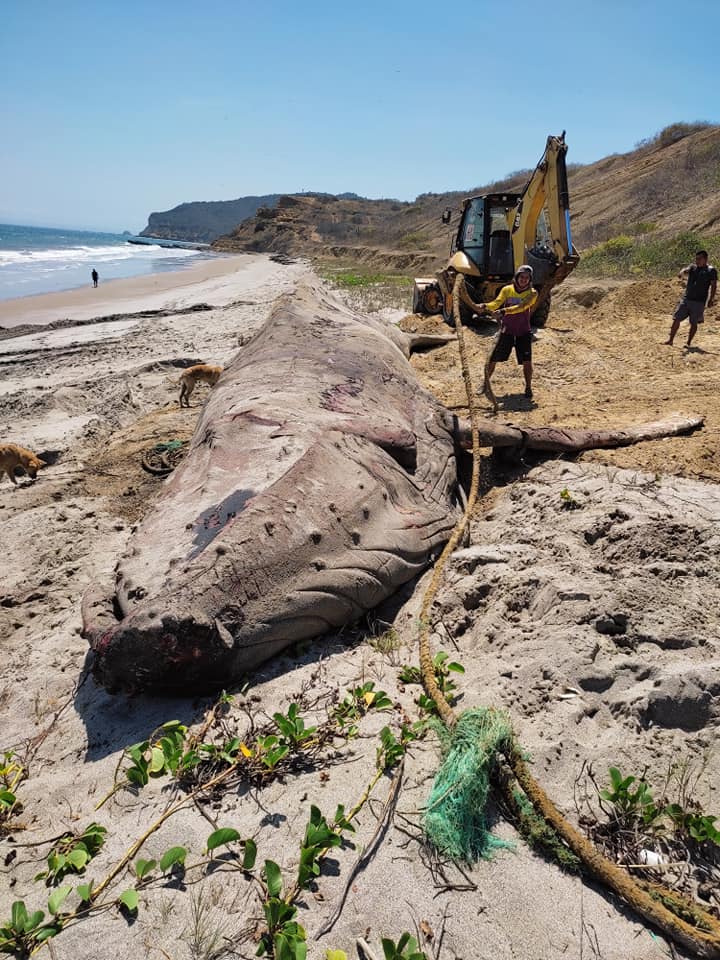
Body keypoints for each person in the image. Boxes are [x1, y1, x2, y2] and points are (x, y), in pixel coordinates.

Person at [477, 264, 538, 399]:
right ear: (517, 277)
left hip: (523, 331)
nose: (524, 280)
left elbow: (522, 307)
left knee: (527, 361)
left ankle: (528, 387)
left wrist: (503, 311)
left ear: (530, 280)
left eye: (527, 278)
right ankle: (485, 384)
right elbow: (496, 303)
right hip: (507, 330)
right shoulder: (507, 290)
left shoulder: (533, 293)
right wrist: (485, 306)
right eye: (521, 277)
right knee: (493, 359)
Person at [664, 250, 716, 347]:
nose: (697, 261)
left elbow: (713, 286)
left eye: (699, 259)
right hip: (687, 299)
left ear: (705, 259)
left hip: (699, 302)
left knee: (693, 323)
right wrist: (682, 272)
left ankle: (688, 343)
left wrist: (711, 299)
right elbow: (685, 270)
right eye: (696, 259)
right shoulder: (693, 267)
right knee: (676, 318)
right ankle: (670, 340)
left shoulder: (711, 271)